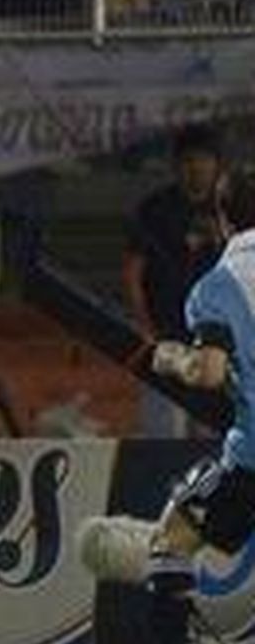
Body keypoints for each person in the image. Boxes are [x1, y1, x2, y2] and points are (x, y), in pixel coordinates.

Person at [81, 166, 255, 644]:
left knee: (172, 542)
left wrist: (169, 356)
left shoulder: (219, 285)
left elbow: (206, 370)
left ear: (220, 218)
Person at [123, 124, 225, 437]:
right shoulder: (154, 210)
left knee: (214, 436)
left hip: (220, 343)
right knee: (162, 434)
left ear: (216, 164)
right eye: (188, 160)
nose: (196, 167)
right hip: (167, 338)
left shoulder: (234, 208)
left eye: (203, 159)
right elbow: (133, 273)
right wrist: (145, 328)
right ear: (177, 165)